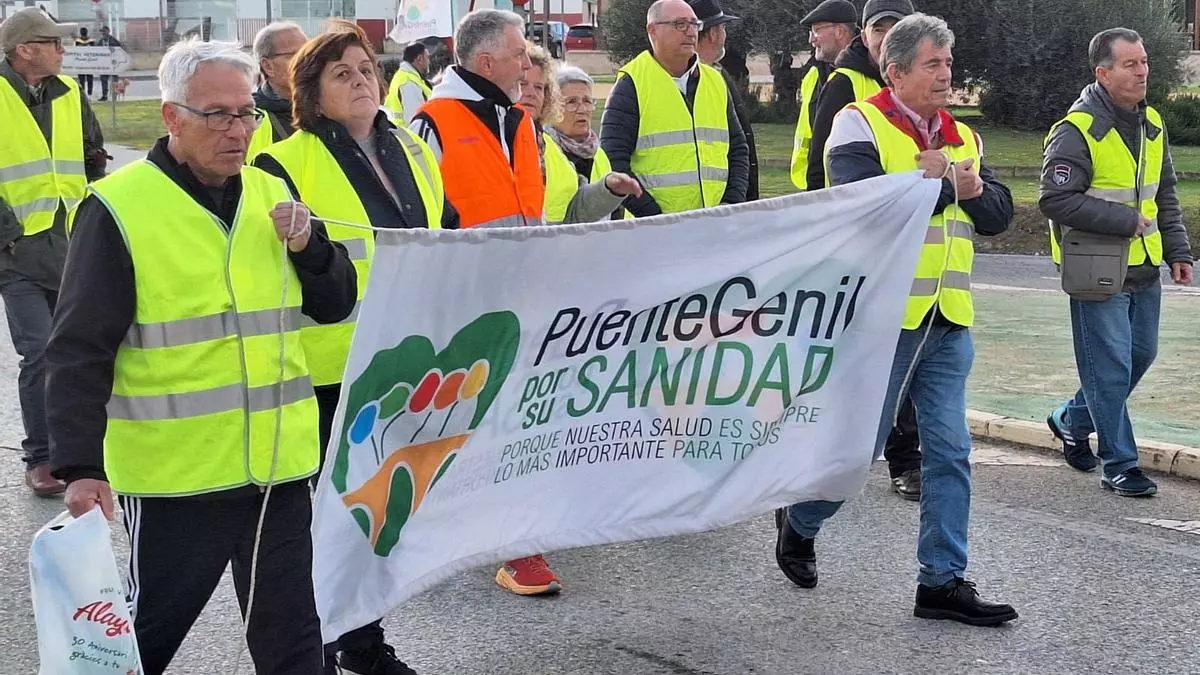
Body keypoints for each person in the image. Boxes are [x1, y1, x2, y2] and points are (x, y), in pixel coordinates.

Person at [45, 37, 357, 674]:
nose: (237, 131)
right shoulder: (120, 208)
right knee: (139, 642)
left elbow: (336, 303)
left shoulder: (272, 192)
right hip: (176, 479)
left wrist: (311, 249)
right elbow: (78, 349)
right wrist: (79, 465)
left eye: (246, 113)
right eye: (217, 115)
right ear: (172, 117)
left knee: (294, 638)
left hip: (278, 470)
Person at [777, 14, 1019, 627]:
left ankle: (941, 581)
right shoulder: (857, 122)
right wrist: (947, 186)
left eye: (948, 63)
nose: (946, 75)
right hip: (882, 322)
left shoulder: (963, 135)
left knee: (950, 454)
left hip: (948, 319)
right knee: (859, 452)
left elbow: (996, 214)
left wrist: (958, 186)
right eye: (933, 64)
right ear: (896, 71)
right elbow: (863, 205)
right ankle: (800, 519)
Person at [253, 22, 457, 674]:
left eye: (367, 69)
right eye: (342, 73)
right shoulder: (285, 163)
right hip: (324, 370)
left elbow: (446, 232)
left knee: (375, 515)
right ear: (310, 93)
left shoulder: (413, 150)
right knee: (329, 522)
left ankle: (360, 643)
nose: (362, 81)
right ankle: (329, 648)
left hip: (406, 364)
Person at [1041, 28, 1193, 495]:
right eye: (1130, 64)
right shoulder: (1076, 130)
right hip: (1096, 269)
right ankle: (1120, 464)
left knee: (1139, 355)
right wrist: (1124, 221)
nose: (1142, 71)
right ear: (1103, 73)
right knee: (1108, 369)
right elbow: (1055, 199)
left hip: (1144, 266)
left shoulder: (1152, 123)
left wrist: (1178, 251)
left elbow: (1164, 194)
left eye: (1144, 61)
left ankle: (1071, 420)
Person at [803, 0, 921, 500]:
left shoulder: (920, 84)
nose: (887, 35)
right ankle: (824, 457)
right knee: (855, 353)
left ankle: (905, 458)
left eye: (897, 26)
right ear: (864, 34)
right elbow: (820, 163)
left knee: (904, 353)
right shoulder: (845, 83)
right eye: (880, 28)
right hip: (854, 241)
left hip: (909, 246)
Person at [0, 7, 106, 496]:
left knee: (75, 349)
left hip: (68, 245)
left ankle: (81, 452)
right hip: (14, 253)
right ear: (25, 50)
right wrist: (9, 235)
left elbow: (91, 153)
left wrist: (90, 213)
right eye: (54, 43)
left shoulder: (69, 92)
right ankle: (41, 457)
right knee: (39, 352)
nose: (64, 51)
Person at [600, 0, 749, 216]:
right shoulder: (631, 83)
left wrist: (731, 203)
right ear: (653, 30)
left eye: (694, 24)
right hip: (654, 228)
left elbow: (738, 149)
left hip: (716, 223)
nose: (690, 32)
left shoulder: (715, 80)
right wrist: (654, 217)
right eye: (680, 24)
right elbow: (612, 160)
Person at [410, 9, 543, 229]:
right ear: (486, 64)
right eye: (519, 54)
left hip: (531, 253)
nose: (528, 64)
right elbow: (419, 220)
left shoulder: (522, 120)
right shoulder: (431, 124)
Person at [520, 42, 639, 225]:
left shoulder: (599, 154)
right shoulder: (544, 147)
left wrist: (610, 190)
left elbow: (610, 215)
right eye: (571, 102)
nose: (582, 109)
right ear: (553, 104)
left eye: (587, 101)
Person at [689, 0, 757, 201]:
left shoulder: (718, 75)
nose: (725, 35)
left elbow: (738, 144)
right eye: (723, 28)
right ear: (713, 33)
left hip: (729, 202)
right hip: (707, 205)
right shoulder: (693, 82)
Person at [789, 0, 856, 190]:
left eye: (816, 31)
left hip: (846, 186)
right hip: (812, 185)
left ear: (840, 32)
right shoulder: (813, 75)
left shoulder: (861, 75)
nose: (811, 39)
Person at [249, 21, 307, 156]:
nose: (307, 61)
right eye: (296, 55)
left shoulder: (327, 110)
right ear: (268, 66)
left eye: (308, 52)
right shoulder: (250, 120)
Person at [384, 41, 432, 123]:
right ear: (419, 59)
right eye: (427, 57)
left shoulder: (405, 77)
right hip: (409, 131)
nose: (429, 62)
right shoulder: (408, 83)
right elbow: (415, 122)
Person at [96, 25, 121, 101]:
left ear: (108, 31)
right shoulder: (100, 41)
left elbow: (120, 48)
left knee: (114, 79)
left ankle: (115, 95)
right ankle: (104, 96)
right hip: (104, 64)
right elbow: (95, 50)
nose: (103, 33)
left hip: (113, 64)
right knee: (103, 79)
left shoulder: (114, 40)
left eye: (104, 31)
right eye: (102, 32)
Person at [74, 26, 94, 98]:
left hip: (89, 63)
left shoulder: (91, 41)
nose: (83, 33)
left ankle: (89, 94)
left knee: (89, 79)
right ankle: (83, 94)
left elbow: (94, 51)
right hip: (81, 63)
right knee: (81, 80)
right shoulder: (77, 41)